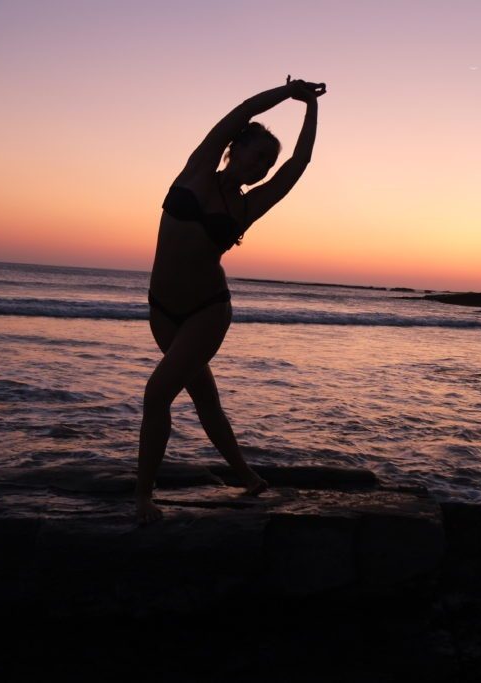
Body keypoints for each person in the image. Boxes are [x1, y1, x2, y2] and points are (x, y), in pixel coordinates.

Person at [136, 76, 326, 524]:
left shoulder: (246, 207)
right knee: (204, 398)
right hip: (162, 311)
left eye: (266, 163)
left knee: (157, 393)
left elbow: (298, 163)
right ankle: (247, 476)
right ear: (234, 149)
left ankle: (143, 496)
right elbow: (243, 110)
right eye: (257, 155)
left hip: (207, 311)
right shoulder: (197, 168)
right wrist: (288, 93)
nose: (261, 167)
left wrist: (311, 109)